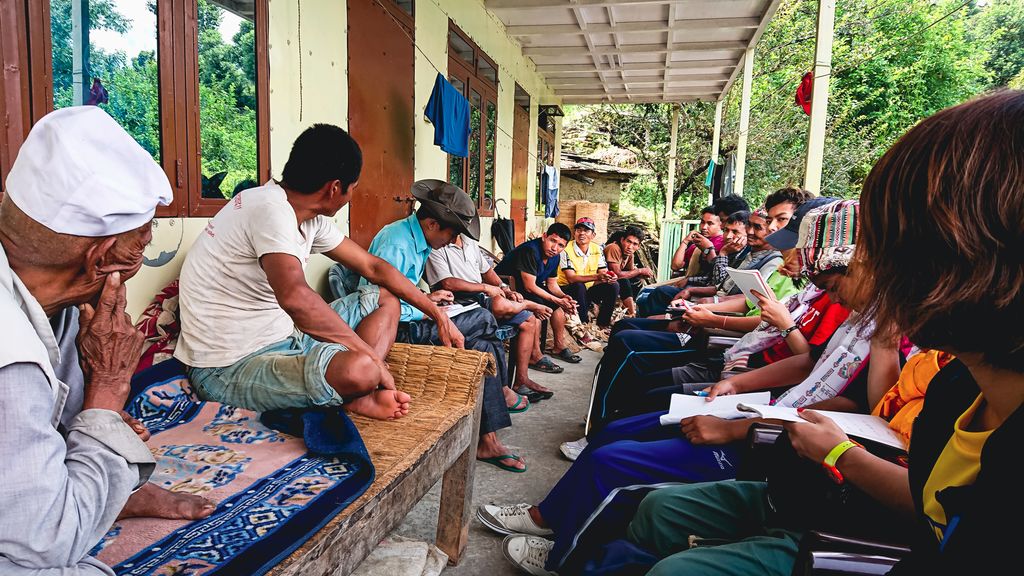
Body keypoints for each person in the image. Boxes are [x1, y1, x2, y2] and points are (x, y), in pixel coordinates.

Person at [620, 91, 1024, 576]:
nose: (874, 274)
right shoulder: (954, 386)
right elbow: (925, 496)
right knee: (655, 510)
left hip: (840, 518)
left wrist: (813, 440)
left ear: (990, 258)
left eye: (892, 246)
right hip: (813, 488)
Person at [0, 107, 210, 575]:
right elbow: (45, 544)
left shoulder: (52, 299)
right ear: (99, 259)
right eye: (142, 242)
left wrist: (101, 425)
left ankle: (103, 493)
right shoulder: (10, 355)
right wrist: (106, 394)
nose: (142, 255)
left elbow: (54, 420)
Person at [175, 124, 460, 421]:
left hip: (286, 337)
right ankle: (356, 391)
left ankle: (353, 390)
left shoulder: (307, 217)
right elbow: (296, 299)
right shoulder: (270, 210)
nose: (352, 195)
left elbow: (374, 268)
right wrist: (372, 359)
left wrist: (436, 313)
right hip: (228, 367)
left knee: (384, 298)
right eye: (353, 187)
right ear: (334, 188)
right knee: (359, 369)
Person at [361, 179, 529, 472]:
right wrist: (425, 311)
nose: (453, 242)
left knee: (481, 348)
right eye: (452, 234)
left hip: (410, 316)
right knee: (484, 318)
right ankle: (501, 389)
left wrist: (428, 299)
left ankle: (486, 439)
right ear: (431, 224)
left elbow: (404, 290)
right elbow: (380, 304)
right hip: (394, 330)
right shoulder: (396, 242)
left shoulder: (418, 241)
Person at [425, 232, 559, 399]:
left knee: (529, 320)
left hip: (481, 296)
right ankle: (527, 304)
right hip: (457, 300)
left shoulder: (469, 241)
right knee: (499, 305)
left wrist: (505, 288)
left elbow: (487, 271)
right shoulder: (438, 245)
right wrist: (485, 288)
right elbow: (448, 283)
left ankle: (521, 380)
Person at [495, 223, 582, 365]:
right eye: (552, 241)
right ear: (544, 237)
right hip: (508, 288)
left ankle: (558, 346)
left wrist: (563, 297)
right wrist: (557, 300)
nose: (555, 248)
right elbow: (529, 287)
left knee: (557, 307)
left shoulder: (555, 257)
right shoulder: (530, 251)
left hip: (527, 287)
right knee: (539, 308)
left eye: (560, 245)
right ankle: (534, 355)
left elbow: (552, 284)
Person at [557, 217, 619, 328]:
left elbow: (603, 271)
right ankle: (584, 324)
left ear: (593, 235)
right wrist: (597, 276)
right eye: (579, 230)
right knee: (578, 285)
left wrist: (608, 277)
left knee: (613, 285)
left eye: (586, 230)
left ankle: (603, 324)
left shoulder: (597, 249)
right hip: (567, 290)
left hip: (586, 291)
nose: (582, 233)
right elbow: (571, 278)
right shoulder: (566, 249)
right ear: (574, 233)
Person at [603, 227, 654, 316]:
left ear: (638, 246)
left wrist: (642, 275)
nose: (630, 247)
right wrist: (640, 270)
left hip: (613, 284)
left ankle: (635, 308)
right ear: (622, 240)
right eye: (628, 242)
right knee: (624, 281)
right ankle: (632, 314)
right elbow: (617, 275)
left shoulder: (630, 255)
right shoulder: (614, 248)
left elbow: (631, 273)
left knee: (637, 281)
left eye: (635, 244)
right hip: (602, 284)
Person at [668, 207, 723, 281]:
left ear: (721, 225)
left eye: (710, 223)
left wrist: (708, 249)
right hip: (687, 281)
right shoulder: (696, 243)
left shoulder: (722, 243)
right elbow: (676, 266)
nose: (704, 227)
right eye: (702, 222)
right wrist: (685, 241)